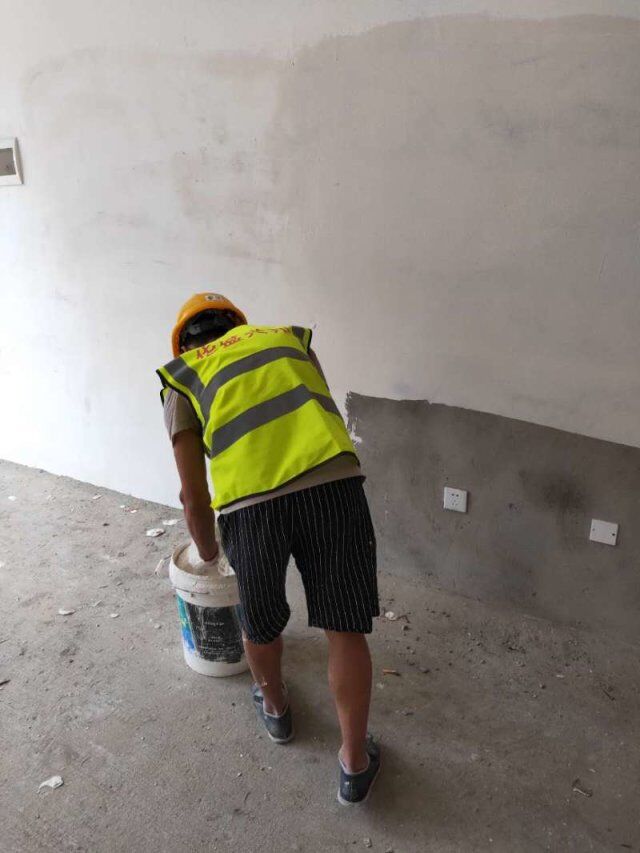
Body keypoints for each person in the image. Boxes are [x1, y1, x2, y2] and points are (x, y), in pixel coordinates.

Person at [157, 293, 380, 805]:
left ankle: (277, 711)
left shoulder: (183, 376)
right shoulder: (289, 339)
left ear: (184, 342)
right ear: (239, 324)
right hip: (333, 484)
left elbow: (194, 496)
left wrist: (208, 552)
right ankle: (354, 764)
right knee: (344, 627)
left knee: (258, 622)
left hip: (252, 508)